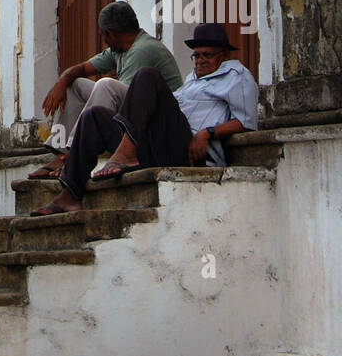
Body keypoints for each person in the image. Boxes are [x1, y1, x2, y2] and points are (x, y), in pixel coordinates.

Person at [31, 22, 259, 215]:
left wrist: (207, 133)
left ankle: (127, 153)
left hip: (191, 150)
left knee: (147, 75)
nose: (200, 60)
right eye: (196, 55)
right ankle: (70, 193)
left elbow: (246, 122)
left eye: (207, 55)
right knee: (95, 116)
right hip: (161, 144)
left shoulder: (237, 76)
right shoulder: (193, 79)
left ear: (225, 55)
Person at [29, 1, 182, 180]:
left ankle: (75, 153)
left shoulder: (142, 50)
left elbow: (129, 106)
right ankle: (62, 153)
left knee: (105, 85)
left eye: (104, 35)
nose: (104, 39)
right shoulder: (120, 49)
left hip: (160, 125)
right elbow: (83, 69)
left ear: (110, 34)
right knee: (75, 84)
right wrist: (62, 81)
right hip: (136, 117)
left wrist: (109, 80)